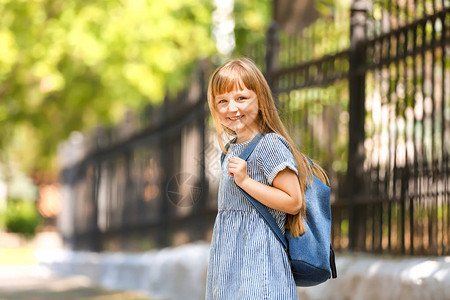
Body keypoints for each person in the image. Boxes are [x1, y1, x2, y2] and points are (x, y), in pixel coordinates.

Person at [205, 58, 328, 299]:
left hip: (259, 266)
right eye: (223, 101)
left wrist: (246, 182)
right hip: (230, 265)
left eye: (241, 98)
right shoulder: (231, 150)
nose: (232, 108)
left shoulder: (269, 145)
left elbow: (293, 200)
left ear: (260, 100)